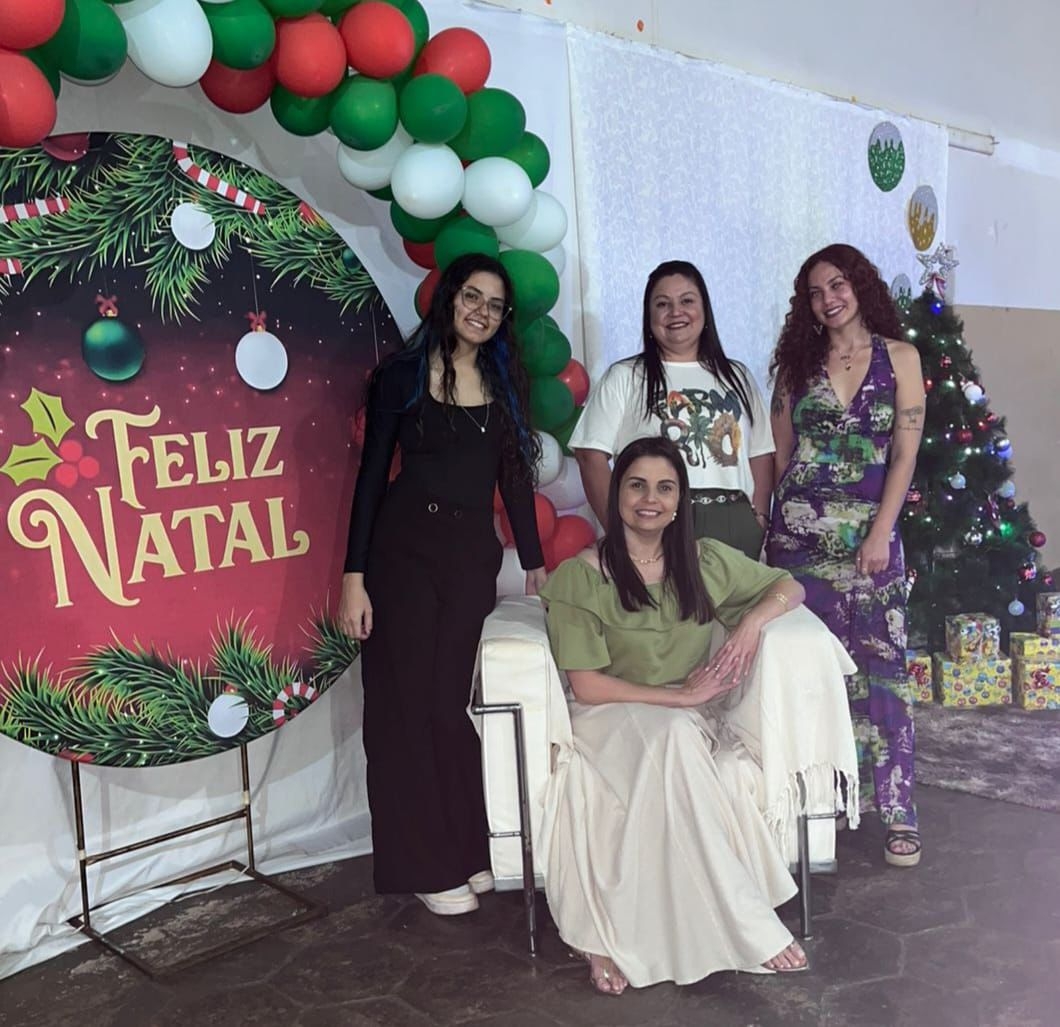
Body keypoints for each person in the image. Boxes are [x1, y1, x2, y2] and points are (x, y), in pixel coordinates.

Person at [538, 436, 809, 994]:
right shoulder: (582, 575)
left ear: (681, 499)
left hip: (680, 717)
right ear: (616, 494)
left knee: (677, 735)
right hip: (607, 714)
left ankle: (623, 933)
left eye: (665, 488)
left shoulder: (703, 561)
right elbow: (586, 685)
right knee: (675, 734)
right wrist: (681, 700)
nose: (650, 500)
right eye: (637, 485)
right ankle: (749, 920)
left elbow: (790, 586)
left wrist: (752, 623)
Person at [338, 253, 547, 915]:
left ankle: (465, 848)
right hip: (402, 553)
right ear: (450, 296)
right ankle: (423, 866)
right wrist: (353, 578)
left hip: (468, 558)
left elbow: (514, 477)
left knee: (446, 705)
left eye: (496, 305)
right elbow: (372, 477)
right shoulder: (401, 375)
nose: (482, 311)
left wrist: (535, 560)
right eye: (472, 296)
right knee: (402, 707)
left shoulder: (504, 381)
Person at [766, 243, 925, 868]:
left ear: (859, 285)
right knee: (815, 670)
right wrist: (774, 530)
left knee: (882, 670)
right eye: (815, 292)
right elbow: (781, 457)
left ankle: (897, 809)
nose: (828, 299)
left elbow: (904, 454)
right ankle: (828, 798)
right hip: (800, 543)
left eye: (837, 285)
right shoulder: (795, 365)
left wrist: (881, 531)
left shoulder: (900, 357)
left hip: (870, 540)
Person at [570, 260, 774, 559]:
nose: (676, 312)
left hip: (734, 519)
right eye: (662, 304)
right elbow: (590, 455)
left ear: (704, 309)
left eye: (687, 301)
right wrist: (619, 530)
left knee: (738, 592)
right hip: (658, 518)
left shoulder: (737, 375)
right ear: (649, 316)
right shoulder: (625, 376)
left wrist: (759, 518)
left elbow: (761, 452)